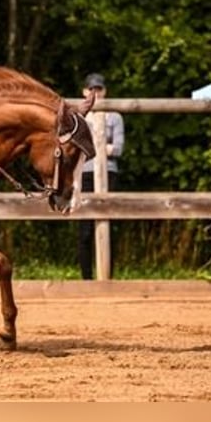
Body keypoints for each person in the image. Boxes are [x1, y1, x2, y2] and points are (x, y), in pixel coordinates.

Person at [77, 72, 125, 280]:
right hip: (84, 174)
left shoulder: (115, 116)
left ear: (105, 91)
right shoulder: (78, 117)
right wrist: (102, 147)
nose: (95, 93)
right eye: (91, 89)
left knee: (108, 227)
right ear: (84, 92)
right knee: (85, 230)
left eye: (99, 89)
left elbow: (119, 149)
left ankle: (108, 277)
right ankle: (86, 278)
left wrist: (94, 147)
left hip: (109, 173)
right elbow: (75, 148)